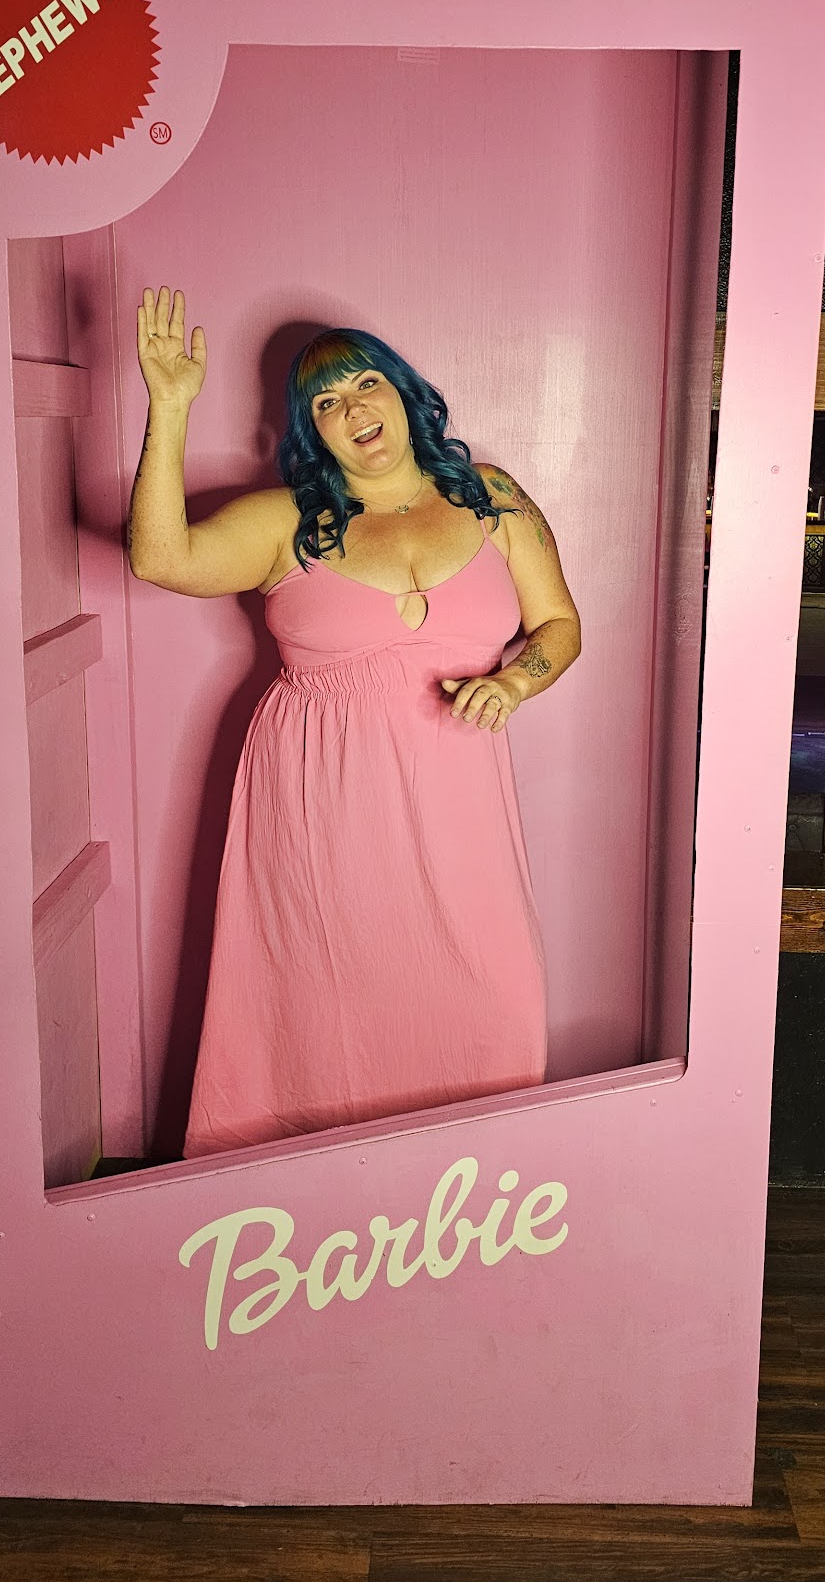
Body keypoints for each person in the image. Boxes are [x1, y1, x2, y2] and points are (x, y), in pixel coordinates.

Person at [129, 286, 582, 1156]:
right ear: (313, 432)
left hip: (459, 805)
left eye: (366, 383)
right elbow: (162, 557)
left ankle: (462, 1202)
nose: (352, 408)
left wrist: (515, 684)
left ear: (404, 393)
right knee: (319, 1007)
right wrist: (172, 405)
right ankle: (309, 1210)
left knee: (492, 995)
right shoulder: (287, 520)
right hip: (319, 805)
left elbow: (559, 623)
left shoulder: (492, 497)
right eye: (325, 403)